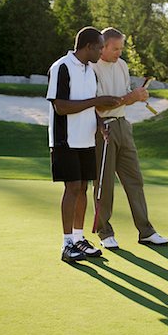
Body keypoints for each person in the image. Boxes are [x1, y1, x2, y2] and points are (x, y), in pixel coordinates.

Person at [46, 26, 122, 263]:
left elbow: (89, 105)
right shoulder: (61, 68)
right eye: (99, 47)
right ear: (88, 47)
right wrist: (99, 101)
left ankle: (78, 238)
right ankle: (66, 243)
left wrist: (100, 123)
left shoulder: (91, 71)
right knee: (72, 187)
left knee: (83, 188)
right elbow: (61, 106)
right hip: (64, 139)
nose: (102, 51)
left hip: (86, 139)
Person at [91, 27, 168, 249]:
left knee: (135, 180)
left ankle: (146, 231)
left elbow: (124, 96)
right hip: (103, 130)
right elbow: (98, 103)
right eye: (115, 49)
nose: (119, 53)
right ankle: (104, 232)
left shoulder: (122, 65)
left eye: (121, 48)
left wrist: (138, 96)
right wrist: (129, 97)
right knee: (104, 184)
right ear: (103, 46)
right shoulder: (92, 67)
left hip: (123, 126)